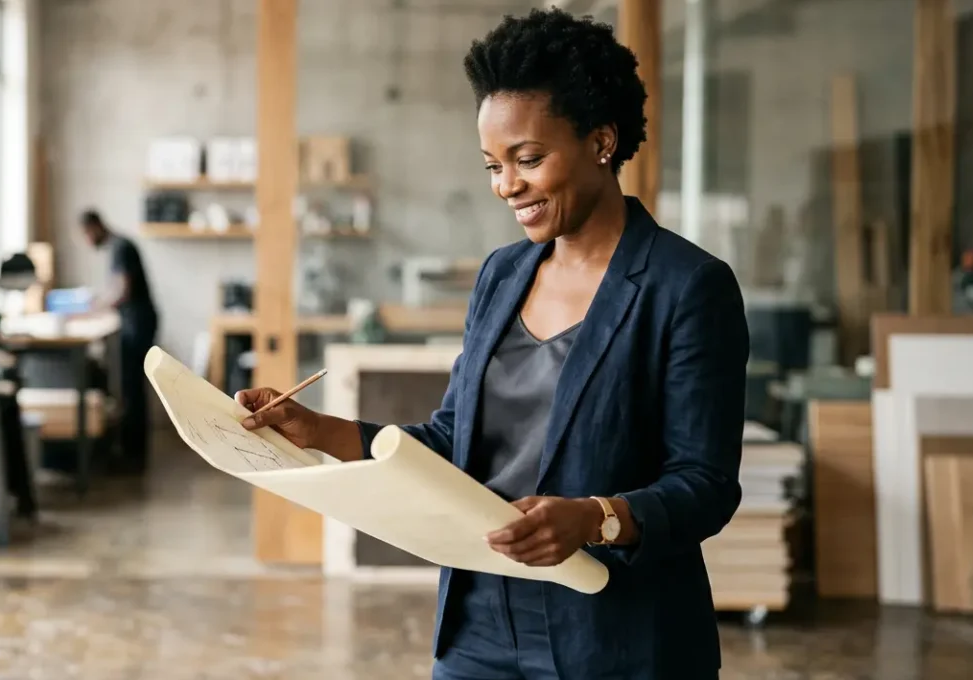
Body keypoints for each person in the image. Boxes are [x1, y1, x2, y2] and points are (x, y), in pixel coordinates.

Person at [236, 8, 747, 680]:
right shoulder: (502, 276)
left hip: (614, 636)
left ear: (601, 141)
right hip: (478, 625)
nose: (506, 185)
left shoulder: (687, 286)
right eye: (493, 165)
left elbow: (706, 484)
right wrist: (318, 430)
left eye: (528, 159)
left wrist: (595, 518)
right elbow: (454, 441)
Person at [82, 210, 158, 472]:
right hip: (136, 322)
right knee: (131, 386)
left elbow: (123, 290)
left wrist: (97, 307)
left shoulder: (120, 248)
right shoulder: (119, 246)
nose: (87, 241)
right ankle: (132, 452)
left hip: (137, 324)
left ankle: (133, 456)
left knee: (131, 387)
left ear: (94, 227)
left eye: (86, 235)